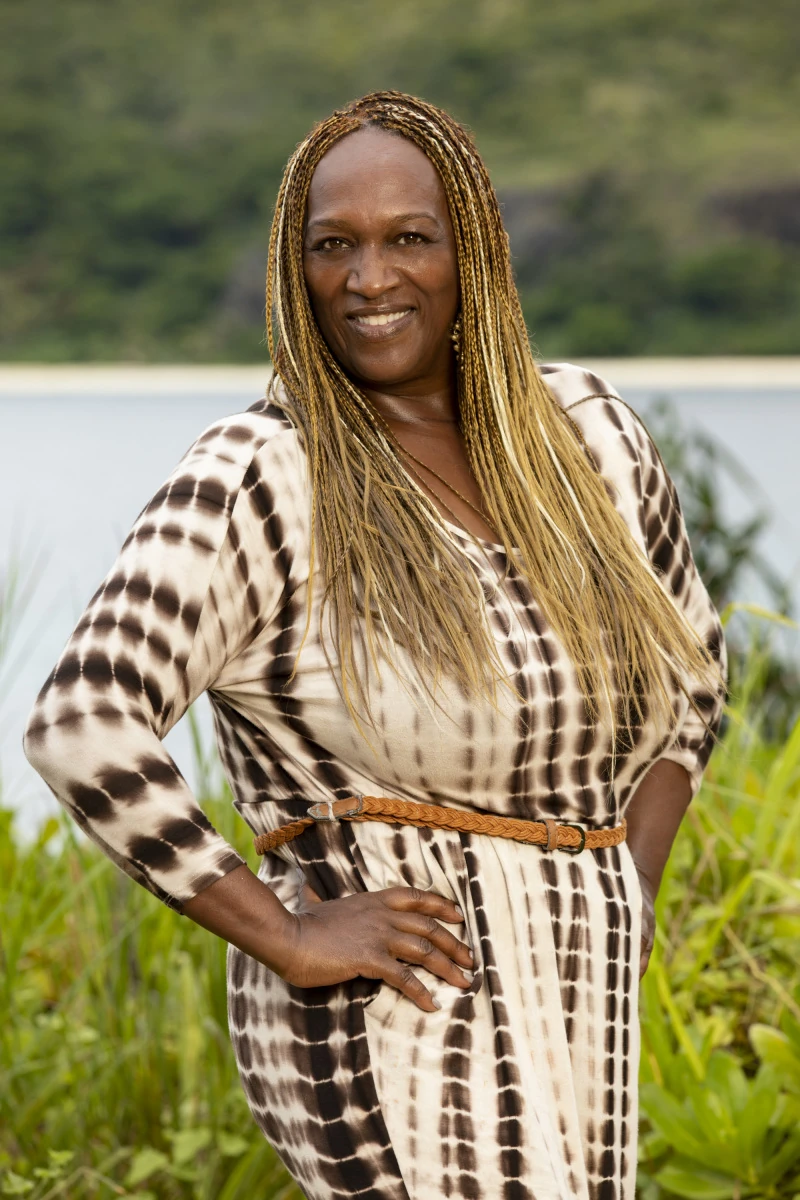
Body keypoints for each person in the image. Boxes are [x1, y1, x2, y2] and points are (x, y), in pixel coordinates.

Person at [24, 91, 726, 1200]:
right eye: (332, 246)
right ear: (291, 269)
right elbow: (82, 723)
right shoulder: (263, 474)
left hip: (581, 995)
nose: (369, 278)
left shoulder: (587, 438)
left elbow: (691, 676)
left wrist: (628, 883)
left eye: (409, 238)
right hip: (396, 1007)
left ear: (472, 251)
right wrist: (290, 937)